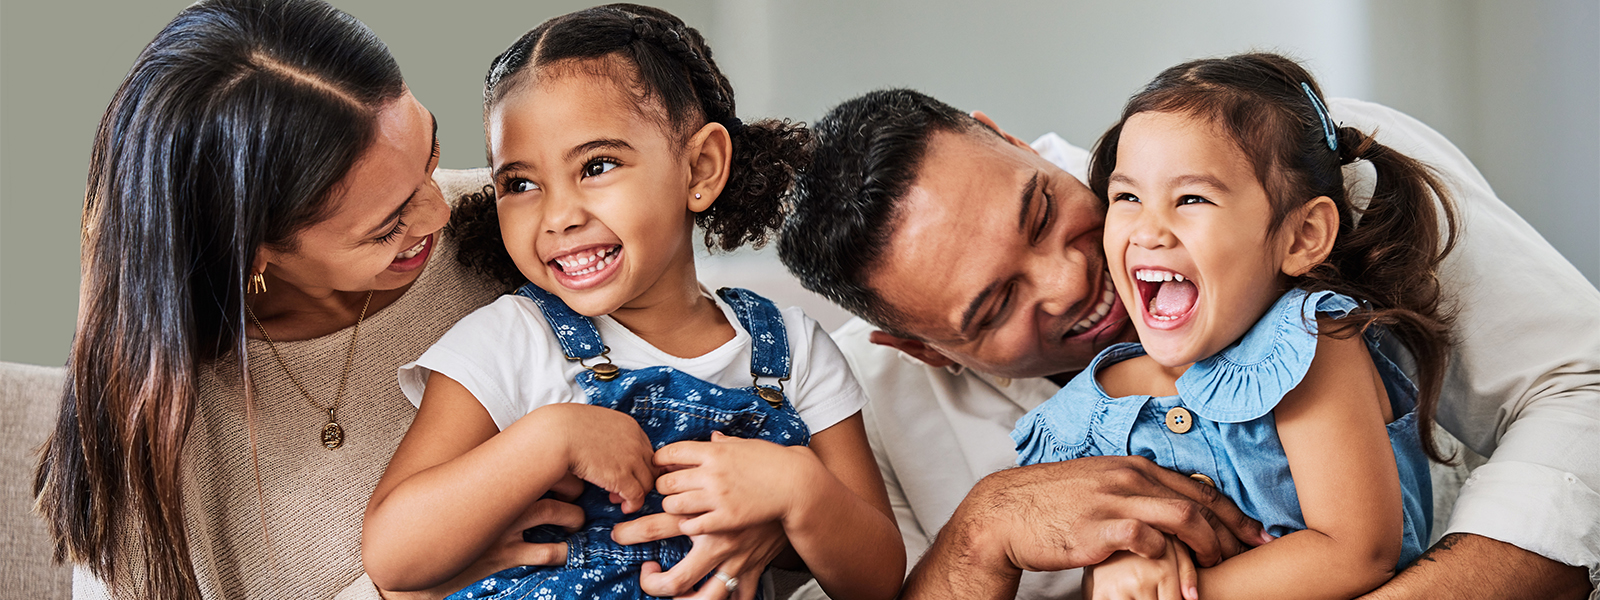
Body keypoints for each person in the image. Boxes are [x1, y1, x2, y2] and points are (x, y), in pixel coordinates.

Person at [779, 83, 1600, 600]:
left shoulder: (1298, 166)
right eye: (994, 308)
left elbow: (1583, 386)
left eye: (1039, 214)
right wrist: (980, 533)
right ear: (919, 349)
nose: (1068, 283)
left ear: (1013, 141)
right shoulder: (859, 411)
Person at [29, 1, 580, 598]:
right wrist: (408, 587)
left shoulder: (520, 226)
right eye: (389, 226)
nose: (441, 211)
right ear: (254, 251)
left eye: (431, 154)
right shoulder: (154, 436)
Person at [361, 5, 902, 600]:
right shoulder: (510, 339)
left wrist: (801, 490)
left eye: (597, 166)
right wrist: (553, 438)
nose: (559, 216)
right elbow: (394, 556)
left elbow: (876, 581)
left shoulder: (793, 350)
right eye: (520, 183)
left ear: (700, 167)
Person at [1011, 53, 1454, 599]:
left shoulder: (1309, 347)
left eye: (1192, 198)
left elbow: (1357, 552)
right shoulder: (1090, 413)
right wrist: (1121, 566)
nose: (1148, 230)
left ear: (1302, 237)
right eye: (1127, 197)